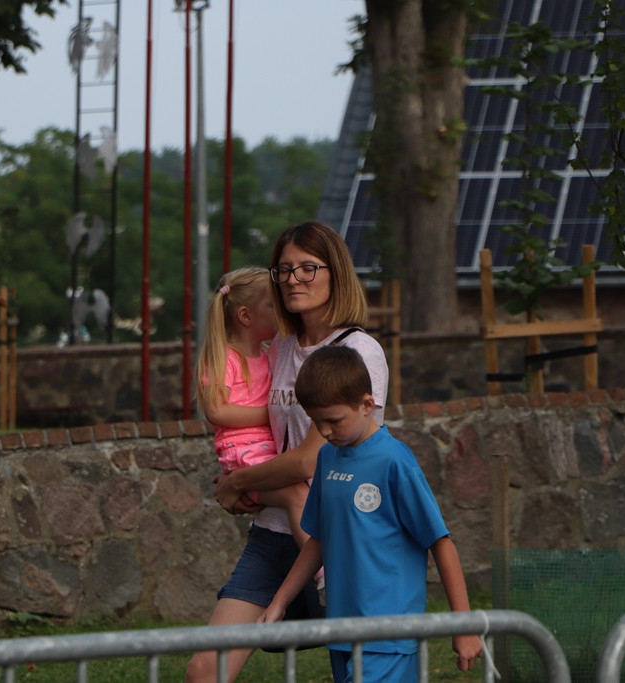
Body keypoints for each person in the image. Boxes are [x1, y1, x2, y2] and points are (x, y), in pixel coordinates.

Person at [185, 221, 389, 682]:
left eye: (308, 268)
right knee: (204, 669)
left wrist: (239, 482)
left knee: (361, 670)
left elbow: (308, 459)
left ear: (335, 271)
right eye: (284, 270)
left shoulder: (358, 350)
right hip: (278, 532)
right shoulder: (278, 348)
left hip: (341, 532)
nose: (294, 279)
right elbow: (250, 419)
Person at [259, 345, 483, 682]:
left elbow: (440, 542)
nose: (324, 431)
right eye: (316, 422)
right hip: (340, 630)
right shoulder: (327, 458)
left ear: (367, 404)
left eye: (333, 420)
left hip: (388, 633)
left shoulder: (395, 461)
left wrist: (464, 627)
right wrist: (280, 601)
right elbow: (318, 539)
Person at [194, 267, 311, 551]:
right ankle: (323, 572)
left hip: (264, 451)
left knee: (306, 488)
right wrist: (272, 413)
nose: (282, 309)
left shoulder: (270, 353)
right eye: (273, 305)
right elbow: (216, 411)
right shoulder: (225, 358)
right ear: (245, 316)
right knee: (297, 494)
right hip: (243, 454)